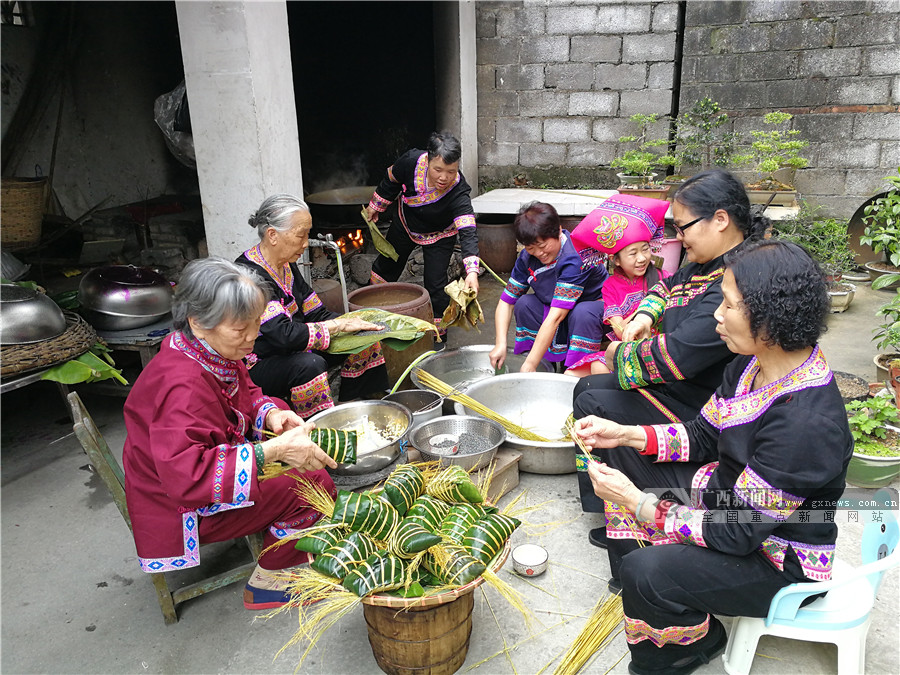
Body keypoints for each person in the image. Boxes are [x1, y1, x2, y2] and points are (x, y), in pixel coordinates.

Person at [575, 240, 852, 675]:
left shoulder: (806, 426)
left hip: (776, 556)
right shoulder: (750, 365)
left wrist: (638, 502)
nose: (717, 315)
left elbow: (735, 535)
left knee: (647, 572)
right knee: (620, 453)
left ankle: (690, 645)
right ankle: (675, 590)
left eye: (729, 304)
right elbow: (703, 435)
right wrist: (626, 435)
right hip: (729, 502)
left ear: (771, 317)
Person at [122, 258, 339, 610]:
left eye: (256, 323)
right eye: (241, 329)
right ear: (199, 321)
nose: (253, 335)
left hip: (193, 471)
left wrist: (273, 415)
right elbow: (187, 476)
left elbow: (247, 392)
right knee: (311, 484)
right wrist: (274, 452)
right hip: (177, 503)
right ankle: (271, 582)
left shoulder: (202, 348)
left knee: (303, 463)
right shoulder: (182, 386)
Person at [573, 170, 768, 545]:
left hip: (700, 399)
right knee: (586, 386)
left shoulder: (736, 279)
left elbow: (675, 355)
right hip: (681, 383)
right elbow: (666, 286)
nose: (678, 238)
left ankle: (635, 524)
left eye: (683, 227)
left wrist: (615, 352)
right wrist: (646, 314)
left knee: (595, 402)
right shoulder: (703, 262)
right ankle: (607, 504)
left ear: (721, 220)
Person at [237, 194, 389, 418]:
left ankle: (358, 406)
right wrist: (336, 327)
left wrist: (351, 323)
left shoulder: (286, 264)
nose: (306, 243)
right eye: (301, 235)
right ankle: (318, 427)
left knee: (362, 337)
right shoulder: (250, 275)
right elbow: (283, 334)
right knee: (310, 364)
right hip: (260, 363)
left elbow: (316, 312)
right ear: (272, 235)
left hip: (294, 347)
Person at [365, 130, 479, 344]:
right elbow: (391, 180)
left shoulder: (459, 192)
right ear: (427, 160)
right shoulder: (409, 161)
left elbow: (467, 230)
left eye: (451, 171)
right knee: (388, 264)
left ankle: (438, 334)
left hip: (440, 234)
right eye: (438, 170)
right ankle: (372, 311)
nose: (444, 177)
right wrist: (376, 205)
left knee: (436, 283)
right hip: (406, 223)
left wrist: (472, 271)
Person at [488, 201, 609, 373]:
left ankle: (576, 372)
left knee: (583, 313)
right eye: (530, 248)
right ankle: (543, 366)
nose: (539, 253)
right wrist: (500, 343)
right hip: (558, 309)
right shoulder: (526, 258)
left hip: (592, 312)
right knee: (525, 304)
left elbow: (555, 317)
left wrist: (529, 364)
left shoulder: (576, 257)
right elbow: (506, 302)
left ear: (559, 231)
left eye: (543, 246)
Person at [566, 193, 672, 376]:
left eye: (645, 250)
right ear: (616, 260)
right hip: (623, 348)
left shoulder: (666, 277)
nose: (641, 258)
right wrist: (643, 311)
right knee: (571, 375)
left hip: (657, 350)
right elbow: (620, 330)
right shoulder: (610, 286)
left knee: (599, 368)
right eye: (632, 254)